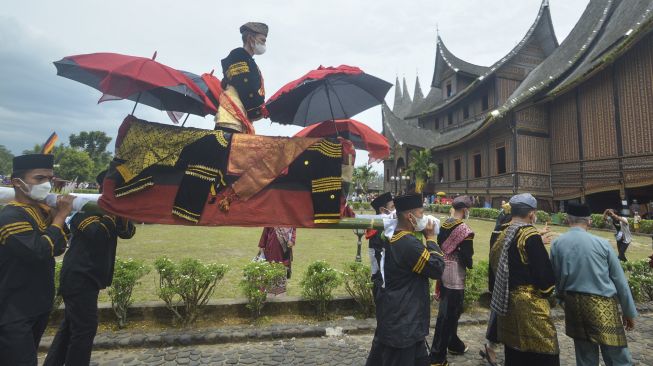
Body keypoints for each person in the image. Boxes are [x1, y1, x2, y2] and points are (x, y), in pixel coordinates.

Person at [44, 171, 136, 366]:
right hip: (79, 278)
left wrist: (123, 214)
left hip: (89, 277)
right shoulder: (85, 209)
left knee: (70, 327)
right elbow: (99, 235)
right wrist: (112, 212)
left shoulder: (109, 211)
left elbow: (127, 232)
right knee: (85, 329)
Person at [0, 154, 74, 366]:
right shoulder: (10, 216)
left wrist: (54, 217)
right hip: (12, 310)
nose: (46, 184)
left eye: (50, 179)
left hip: (38, 304)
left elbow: (59, 246)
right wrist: (60, 217)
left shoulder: (41, 211)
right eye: (39, 178)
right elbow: (39, 252)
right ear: (17, 182)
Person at [550, 202, 637, 366]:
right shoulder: (602, 244)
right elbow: (620, 281)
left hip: (575, 306)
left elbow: (555, 278)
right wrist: (628, 311)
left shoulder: (557, 244)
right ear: (589, 221)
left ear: (568, 220)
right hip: (603, 306)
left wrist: (562, 301)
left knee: (585, 358)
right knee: (618, 357)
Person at [366, 194, 445, 366]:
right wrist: (431, 239)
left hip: (406, 321)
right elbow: (437, 268)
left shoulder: (395, 236)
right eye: (421, 214)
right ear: (410, 217)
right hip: (403, 324)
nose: (424, 218)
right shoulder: (408, 243)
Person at [489, 193, 559, 366]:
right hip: (529, 304)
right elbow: (544, 275)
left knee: (514, 352)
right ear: (531, 214)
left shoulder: (503, 233)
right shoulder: (529, 234)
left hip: (506, 304)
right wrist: (550, 293)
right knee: (544, 350)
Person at [429, 196, 474, 366]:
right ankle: (437, 357)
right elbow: (467, 257)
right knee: (448, 314)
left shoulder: (444, 224)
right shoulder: (464, 230)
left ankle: (453, 343)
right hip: (455, 273)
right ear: (464, 211)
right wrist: (469, 264)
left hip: (442, 268)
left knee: (449, 311)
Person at [215, 22, 269, 133]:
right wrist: (260, 109)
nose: (264, 44)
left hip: (241, 116)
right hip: (232, 116)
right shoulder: (238, 55)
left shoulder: (248, 60)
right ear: (250, 38)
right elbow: (246, 85)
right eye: (262, 40)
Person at [368, 192, 394, 297]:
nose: (395, 210)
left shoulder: (386, 227)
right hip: (384, 283)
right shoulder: (379, 231)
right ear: (383, 210)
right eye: (393, 207)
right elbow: (381, 260)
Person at [258, 226, 296, 295]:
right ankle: (268, 290)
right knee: (269, 268)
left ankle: (280, 291)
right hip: (271, 248)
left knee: (282, 268)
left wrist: (292, 240)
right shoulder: (272, 217)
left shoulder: (290, 218)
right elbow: (265, 230)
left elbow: (293, 229)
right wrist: (262, 245)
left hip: (284, 250)